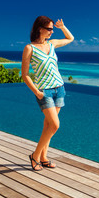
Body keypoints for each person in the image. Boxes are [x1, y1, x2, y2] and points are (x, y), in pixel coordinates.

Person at [21, 16, 74, 171]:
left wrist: (62, 27)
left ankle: (43, 157)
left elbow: (70, 38)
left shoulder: (52, 44)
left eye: (52, 29)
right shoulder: (29, 48)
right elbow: (25, 74)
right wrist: (37, 92)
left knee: (48, 125)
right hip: (45, 91)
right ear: (40, 29)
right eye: (49, 29)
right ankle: (35, 156)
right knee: (55, 125)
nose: (51, 31)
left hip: (60, 89)